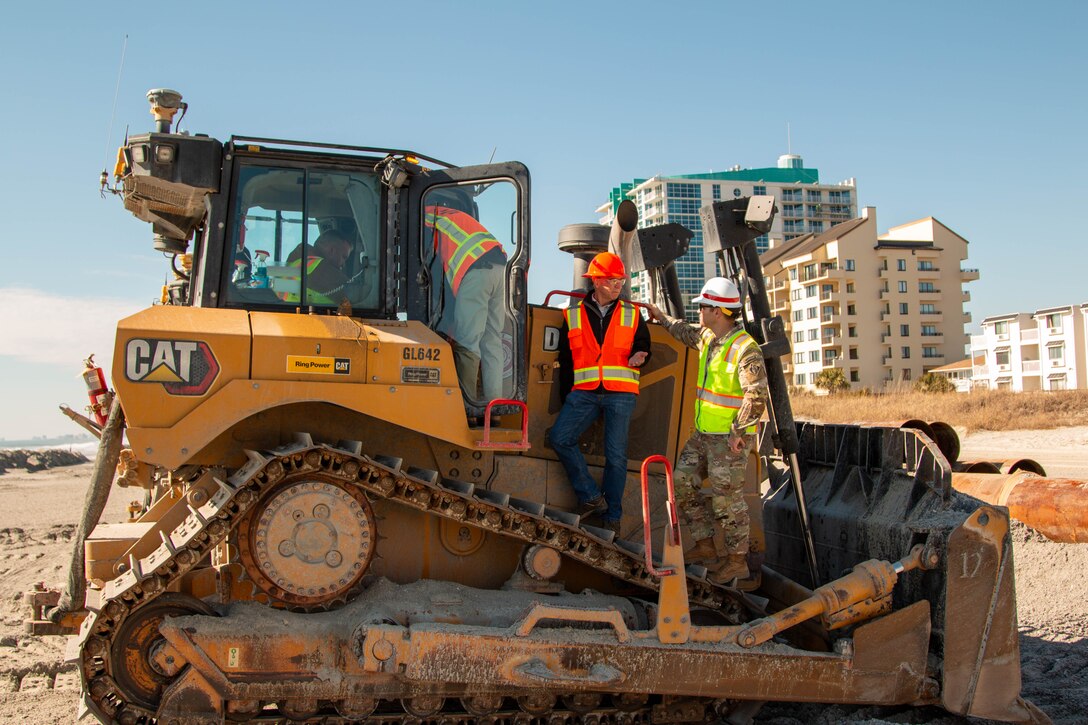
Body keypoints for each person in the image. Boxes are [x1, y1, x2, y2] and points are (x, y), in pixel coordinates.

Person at [646, 277, 769, 584]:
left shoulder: (745, 349)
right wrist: (661, 317)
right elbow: (682, 330)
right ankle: (704, 544)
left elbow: (756, 395)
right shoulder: (707, 338)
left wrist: (739, 433)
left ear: (717, 310)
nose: (698, 311)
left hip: (729, 440)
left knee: (728, 500)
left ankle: (737, 561)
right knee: (682, 482)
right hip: (703, 435)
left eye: (702, 306)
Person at [549, 252, 651, 534]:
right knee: (560, 438)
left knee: (616, 457)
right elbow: (566, 360)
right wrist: (565, 397)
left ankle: (613, 518)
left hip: (621, 394)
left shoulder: (632, 314)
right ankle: (591, 497)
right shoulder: (572, 315)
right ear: (595, 280)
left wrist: (642, 354)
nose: (618, 285)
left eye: (620, 280)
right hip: (584, 393)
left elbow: (643, 344)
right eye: (611, 279)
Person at [425, 205, 508, 408]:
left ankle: (467, 406)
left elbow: (428, 268)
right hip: (501, 271)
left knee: (467, 341)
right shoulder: (450, 216)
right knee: (492, 341)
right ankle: (493, 408)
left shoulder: (424, 218)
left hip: (476, 273)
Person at [279, 230, 353, 305]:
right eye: (344, 257)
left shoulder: (297, 262)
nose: (343, 264)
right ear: (332, 250)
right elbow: (354, 295)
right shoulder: (319, 267)